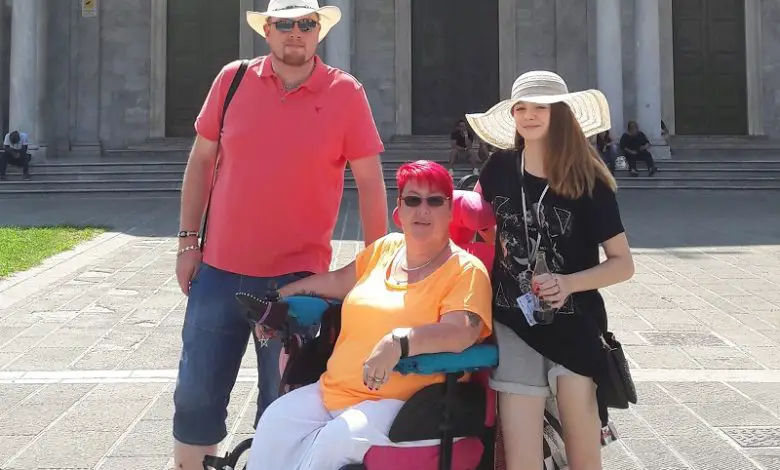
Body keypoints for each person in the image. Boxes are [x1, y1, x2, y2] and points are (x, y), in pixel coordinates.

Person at [172, 1, 388, 468]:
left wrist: (376, 265)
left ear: (319, 32)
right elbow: (201, 161)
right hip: (219, 274)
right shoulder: (232, 81)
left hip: (298, 285)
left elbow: (370, 182)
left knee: (284, 407)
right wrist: (189, 242)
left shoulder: (345, 92)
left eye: (306, 24)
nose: (295, 33)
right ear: (266, 30)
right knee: (195, 400)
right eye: (284, 24)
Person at [246, 160, 493, 470]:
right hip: (337, 389)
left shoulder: (466, 270)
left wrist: (398, 342)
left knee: (334, 440)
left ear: (449, 210)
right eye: (413, 200)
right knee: (275, 422)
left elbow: (460, 332)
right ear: (400, 209)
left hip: (412, 402)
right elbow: (338, 281)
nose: (423, 210)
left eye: (434, 201)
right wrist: (280, 298)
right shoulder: (386, 249)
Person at [466, 71, 635, 470]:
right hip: (514, 323)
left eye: (540, 106)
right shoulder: (497, 169)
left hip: (575, 325)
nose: (528, 115)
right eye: (521, 107)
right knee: (521, 456)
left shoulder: (589, 179)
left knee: (582, 451)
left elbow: (622, 264)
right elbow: (481, 229)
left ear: (561, 113)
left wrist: (569, 283)